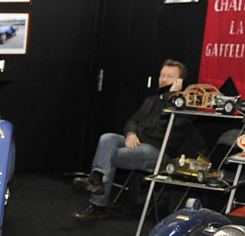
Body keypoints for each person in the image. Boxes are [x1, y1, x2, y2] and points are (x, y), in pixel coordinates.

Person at [72, 60, 191, 221]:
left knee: (109, 157)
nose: (163, 79)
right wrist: (130, 134)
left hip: (157, 151)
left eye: (170, 76)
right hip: (137, 143)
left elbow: (173, 124)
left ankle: (98, 205)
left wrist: (172, 96)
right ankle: (97, 180)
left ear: (180, 82)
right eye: (162, 75)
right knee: (107, 139)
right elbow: (132, 121)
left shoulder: (184, 106)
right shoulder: (151, 100)